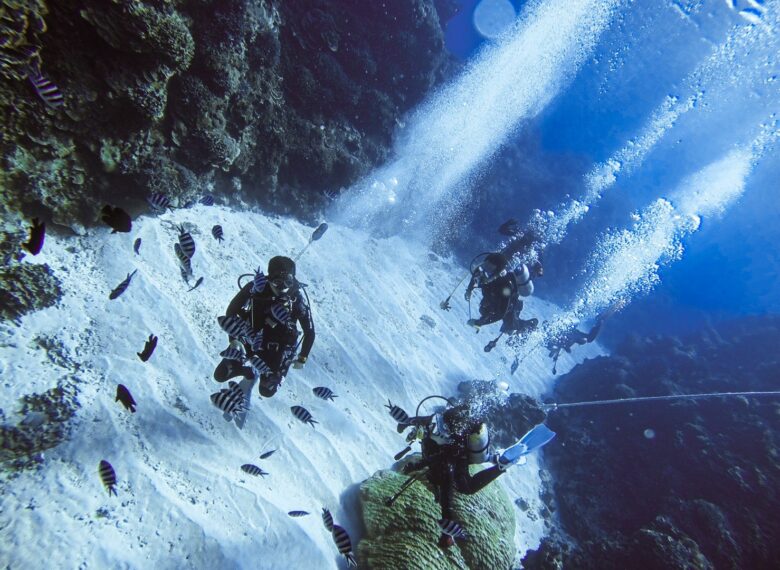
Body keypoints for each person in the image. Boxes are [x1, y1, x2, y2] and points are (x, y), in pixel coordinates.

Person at [399, 404, 555, 547]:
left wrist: (446, 534)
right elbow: (415, 426)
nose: (417, 435)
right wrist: (406, 424)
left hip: (456, 453)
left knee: (464, 486)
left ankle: (500, 465)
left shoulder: (436, 434)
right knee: (469, 465)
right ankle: (498, 460)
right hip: (457, 449)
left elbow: (446, 495)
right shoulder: (433, 424)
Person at [214, 255, 314, 397]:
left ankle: (261, 374)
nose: (283, 288)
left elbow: (309, 331)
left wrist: (302, 357)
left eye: (288, 282)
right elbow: (231, 312)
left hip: (277, 352)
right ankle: (249, 373)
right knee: (220, 375)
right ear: (268, 278)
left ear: (293, 280)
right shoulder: (256, 288)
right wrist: (234, 339)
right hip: (250, 339)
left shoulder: (296, 300)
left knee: (267, 391)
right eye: (278, 282)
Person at [464, 253, 542, 330]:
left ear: (498, 274)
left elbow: (500, 314)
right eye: (484, 268)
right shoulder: (486, 268)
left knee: (509, 325)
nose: (484, 274)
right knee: (483, 310)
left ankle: (528, 324)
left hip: (505, 298)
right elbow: (478, 271)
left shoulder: (506, 287)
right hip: (492, 292)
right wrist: (469, 289)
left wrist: (479, 323)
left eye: (489, 272)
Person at [546, 301, 623, 374]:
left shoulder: (557, 341)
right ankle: (601, 315)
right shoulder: (558, 341)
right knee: (587, 336)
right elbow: (571, 342)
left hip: (568, 329)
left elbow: (570, 342)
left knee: (587, 336)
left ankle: (601, 315)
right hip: (569, 329)